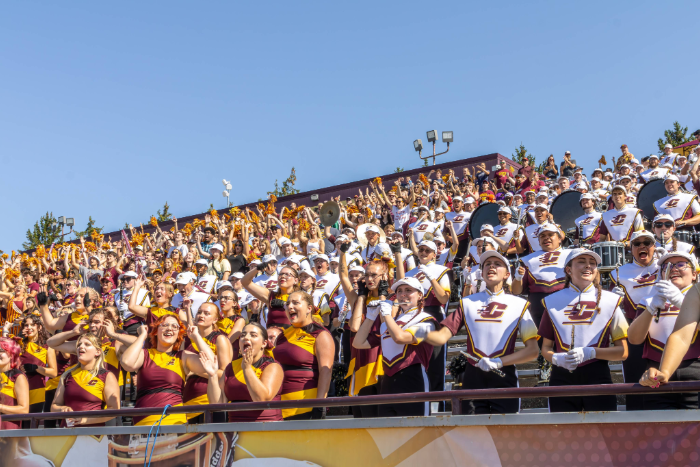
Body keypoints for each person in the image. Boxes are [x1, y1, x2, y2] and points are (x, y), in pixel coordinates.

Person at [426, 250, 539, 414]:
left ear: (507, 274)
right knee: (473, 434)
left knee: (504, 434)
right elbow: (441, 337)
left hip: (504, 377)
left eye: (497, 264)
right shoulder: (467, 303)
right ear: (482, 272)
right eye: (487, 264)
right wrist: (419, 332)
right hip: (473, 378)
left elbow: (533, 351)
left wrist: (500, 362)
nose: (491, 266)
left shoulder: (519, 304)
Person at [539, 249, 629, 412]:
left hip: (598, 375)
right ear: (568, 269)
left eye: (592, 263)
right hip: (561, 377)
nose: (588, 266)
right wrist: (557, 359)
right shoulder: (552, 301)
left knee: (603, 433)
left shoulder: (611, 301)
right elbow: (545, 349)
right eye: (581, 261)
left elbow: (623, 352)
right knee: (563, 433)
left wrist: (591, 353)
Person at [352, 278, 435, 416]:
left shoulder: (426, 320)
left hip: (413, 379)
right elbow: (358, 343)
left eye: (409, 290)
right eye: (399, 291)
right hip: (388, 382)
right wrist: (371, 317)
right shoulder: (389, 324)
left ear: (420, 295)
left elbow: (400, 337)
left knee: (417, 431)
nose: (403, 294)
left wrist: (386, 315)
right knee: (388, 432)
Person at [630, 252, 699, 410]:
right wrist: (650, 308)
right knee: (661, 428)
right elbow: (634, 339)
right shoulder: (648, 300)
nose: (673, 269)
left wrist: (683, 302)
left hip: (695, 369)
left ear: (694, 274)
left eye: (681, 264)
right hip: (656, 372)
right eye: (667, 266)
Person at [119, 314, 213, 425]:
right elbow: (126, 363)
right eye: (164, 325)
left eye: (175, 326)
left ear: (178, 334)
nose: (169, 328)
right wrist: (142, 337)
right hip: (143, 422)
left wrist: (196, 337)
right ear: (155, 331)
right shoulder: (145, 354)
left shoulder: (182, 356)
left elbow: (211, 364)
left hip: (174, 422)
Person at [609, 230, 659, 411]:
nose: (643, 246)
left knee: (663, 378)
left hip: (663, 330)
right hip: (633, 329)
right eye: (637, 244)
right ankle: (638, 423)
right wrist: (613, 299)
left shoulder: (666, 266)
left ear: (654, 247)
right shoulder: (618, 273)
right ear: (631, 249)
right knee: (635, 380)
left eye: (647, 242)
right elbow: (610, 308)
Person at [201, 322, 284, 422]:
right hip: (236, 432)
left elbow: (261, 400)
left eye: (253, 335)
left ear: (264, 343)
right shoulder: (231, 367)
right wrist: (213, 375)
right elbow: (217, 405)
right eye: (243, 335)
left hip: (266, 429)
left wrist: (247, 368)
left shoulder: (272, 366)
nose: (246, 338)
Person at [400, 240, 450, 403]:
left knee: (435, 362)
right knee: (413, 359)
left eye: (427, 250)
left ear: (434, 254)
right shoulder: (411, 271)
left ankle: (436, 403)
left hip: (434, 315)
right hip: (413, 316)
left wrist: (432, 279)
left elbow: (443, 298)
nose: (422, 252)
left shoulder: (442, 270)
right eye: (420, 249)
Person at [272, 291, 334, 419]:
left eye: (295, 303)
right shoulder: (283, 335)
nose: (290, 306)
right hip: (279, 409)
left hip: (305, 407)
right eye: (288, 303)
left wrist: (320, 404)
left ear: (309, 308)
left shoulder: (321, 334)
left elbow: (326, 371)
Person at [50, 333, 120, 427]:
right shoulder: (67, 375)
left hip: (93, 436)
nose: (80, 347)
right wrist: (63, 409)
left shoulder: (106, 376)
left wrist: (86, 420)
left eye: (87, 344)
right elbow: (54, 406)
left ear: (98, 352)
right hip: (67, 435)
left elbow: (114, 409)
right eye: (79, 345)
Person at [182, 301, 232, 423]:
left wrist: (194, 371)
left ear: (215, 320)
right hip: (188, 403)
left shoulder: (220, 339)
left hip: (210, 401)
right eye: (199, 312)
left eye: (207, 313)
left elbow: (225, 374)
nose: (201, 315)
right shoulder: (188, 339)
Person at [18, 315, 57, 428]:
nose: (29, 327)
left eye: (32, 325)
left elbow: (54, 372)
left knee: (31, 425)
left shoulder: (47, 346)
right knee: (18, 425)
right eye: (26, 325)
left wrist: (36, 368)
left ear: (39, 327)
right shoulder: (18, 343)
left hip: (37, 389)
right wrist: (18, 340)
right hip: (18, 388)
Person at [0, 337, 29, 430]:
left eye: (1, 350)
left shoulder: (18, 377)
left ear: (12, 354)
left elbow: (24, 409)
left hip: (7, 431)